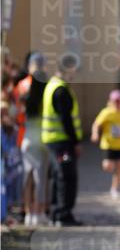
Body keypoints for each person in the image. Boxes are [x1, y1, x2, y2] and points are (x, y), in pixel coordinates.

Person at [41, 53, 83, 227]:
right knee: (66, 176)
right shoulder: (61, 90)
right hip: (62, 142)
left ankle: (56, 212)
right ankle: (63, 214)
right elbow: (66, 120)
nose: (75, 74)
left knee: (58, 176)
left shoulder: (53, 85)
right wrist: (76, 142)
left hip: (54, 141)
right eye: (74, 70)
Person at [16, 53, 48, 226]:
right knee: (40, 179)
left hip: (26, 136)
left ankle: (28, 213)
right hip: (42, 137)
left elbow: (17, 112)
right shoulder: (46, 86)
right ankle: (40, 211)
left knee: (27, 178)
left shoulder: (22, 86)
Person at [91, 90, 120, 200]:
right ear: (110, 102)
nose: (117, 103)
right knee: (108, 166)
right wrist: (95, 133)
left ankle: (114, 188)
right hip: (108, 144)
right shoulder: (106, 113)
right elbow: (96, 124)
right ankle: (111, 167)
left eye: (119, 101)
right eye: (115, 101)